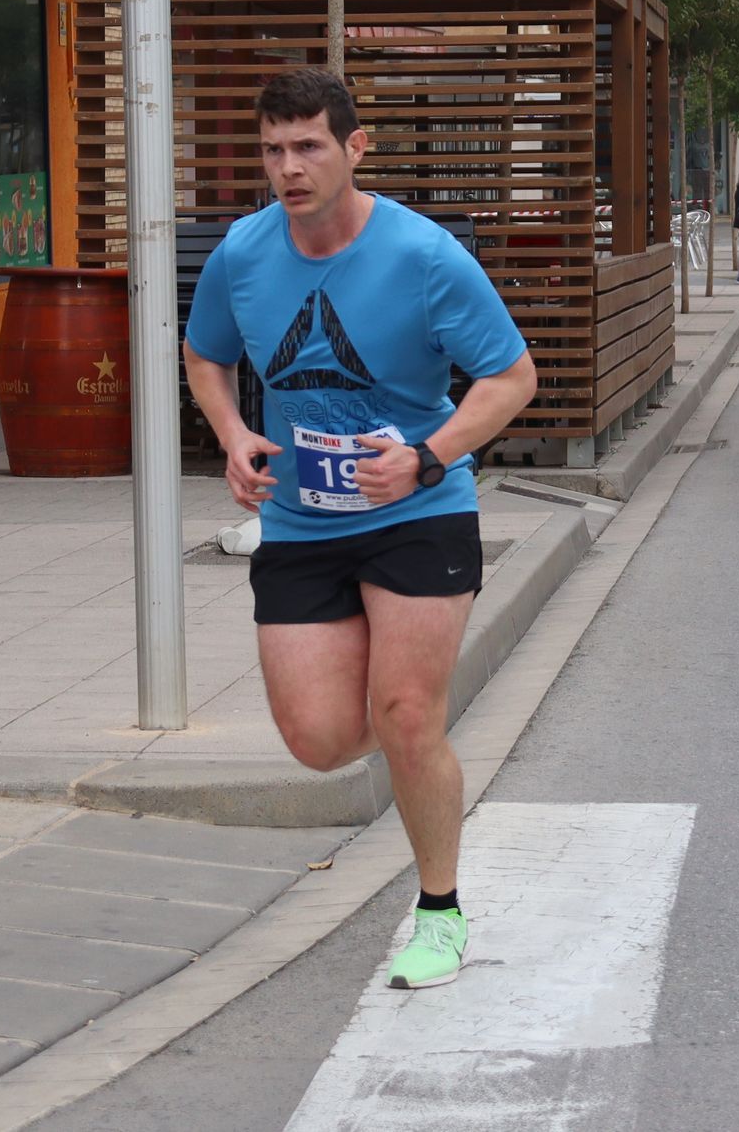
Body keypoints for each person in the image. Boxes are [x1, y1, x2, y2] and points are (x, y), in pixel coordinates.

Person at [183, 68, 538, 990]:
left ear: (355, 148)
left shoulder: (423, 257)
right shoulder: (243, 253)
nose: (288, 168)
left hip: (418, 510)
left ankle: (439, 911)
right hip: (301, 520)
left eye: (308, 146)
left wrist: (427, 456)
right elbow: (205, 354)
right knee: (318, 738)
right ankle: (408, 730)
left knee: (406, 713)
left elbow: (511, 378)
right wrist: (233, 435)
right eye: (273, 150)